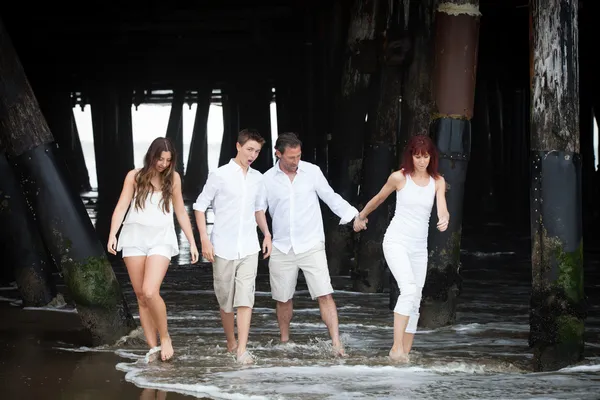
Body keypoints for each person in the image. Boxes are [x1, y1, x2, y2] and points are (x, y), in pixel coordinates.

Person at [260, 132, 360, 357]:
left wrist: (354, 216)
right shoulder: (266, 179)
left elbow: (330, 197)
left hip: (311, 243)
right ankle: (285, 341)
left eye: (298, 156)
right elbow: (258, 211)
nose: (296, 161)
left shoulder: (312, 172)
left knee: (325, 293)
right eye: (291, 158)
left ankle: (336, 344)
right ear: (278, 154)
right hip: (282, 246)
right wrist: (264, 235)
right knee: (283, 298)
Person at [353, 135, 449, 363]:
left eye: (426, 157)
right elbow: (378, 198)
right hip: (396, 241)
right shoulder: (399, 178)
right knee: (407, 290)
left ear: (431, 157)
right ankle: (395, 348)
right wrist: (361, 217)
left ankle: (405, 352)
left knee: (416, 296)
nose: (422, 161)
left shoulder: (438, 181)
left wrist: (444, 218)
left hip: (418, 247)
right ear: (411, 156)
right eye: (417, 156)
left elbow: (442, 207)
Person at [107, 137, 199, 362]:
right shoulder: (135, 176)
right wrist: (113, 234)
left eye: (168, 160)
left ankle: (165, 337)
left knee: (150, 291)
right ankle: (152, 347)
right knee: (140, 296)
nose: (163, 164)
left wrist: (192, 241)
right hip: (134, 237)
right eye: (160, 159)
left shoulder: (173, 178)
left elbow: (180, 211)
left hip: (161, 238)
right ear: (152, 156)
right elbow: (121, 206)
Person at [193, 129, 272, 365]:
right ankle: (231, 342)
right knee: (225, 300)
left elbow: (259, 209)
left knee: (246, 298)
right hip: (223, 247)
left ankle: (242, 350)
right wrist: (205, 240)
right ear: (238, 146)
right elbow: (199, 206)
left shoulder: (258, 178)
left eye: (257, 151)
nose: (253, 155)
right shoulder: (219, 175)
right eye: (249, 149)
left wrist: (266, 234)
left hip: (249, 246)